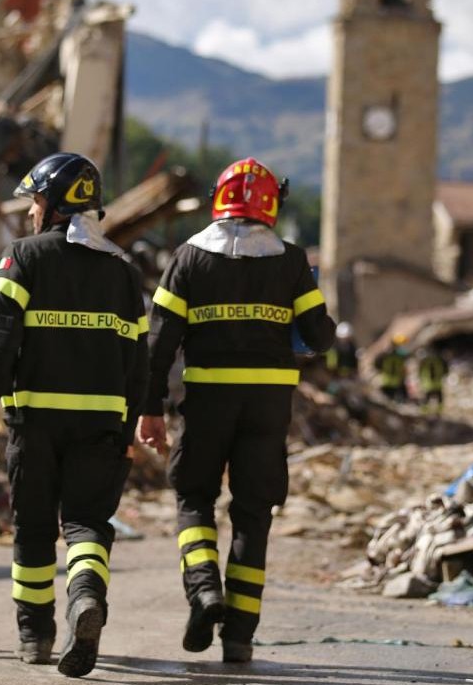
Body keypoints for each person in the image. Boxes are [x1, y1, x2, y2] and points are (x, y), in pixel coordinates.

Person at [137, 158, 335, 664]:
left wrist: (150, 407)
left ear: (218, 199)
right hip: (268, 406)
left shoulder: (187, 258)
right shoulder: (290, 260)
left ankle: (204, 592)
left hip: (207, 401)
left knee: (193, 495)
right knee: (253, 513)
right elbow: (319, 337)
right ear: (271, 204)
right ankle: (240, 636)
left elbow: (159, 344)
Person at [0, 152, 146, 679]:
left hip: (35, 423)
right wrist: (129, 425)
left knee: (35, 528)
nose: (30, 211)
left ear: (52, 204)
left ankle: (34, 635)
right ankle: (85, 597)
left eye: (35, 201)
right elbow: (139, 361)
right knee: (87, 523)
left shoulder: (20, 257)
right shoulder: (122, 273)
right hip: (102, 425)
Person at [375, 334, 408, 402]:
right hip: (396, 382)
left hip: (388, 382)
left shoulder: (385, 356)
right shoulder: (400, 356)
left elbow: (376, 364)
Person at [417, 348, 448, 414]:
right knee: (439, 400)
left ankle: (424, 413)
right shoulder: (440, 361)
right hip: (437, 384)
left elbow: (420, 373)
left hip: (427, 384)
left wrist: (421, 380)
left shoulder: (424, 362)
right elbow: (446, 372)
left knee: (426, 400)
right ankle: (439, 413)